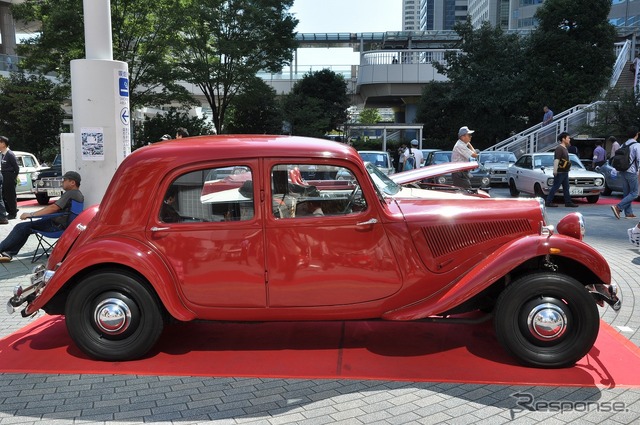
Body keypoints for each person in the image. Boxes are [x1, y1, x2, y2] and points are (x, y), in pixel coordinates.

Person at [0, 171, 84, 262]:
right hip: (62, 225)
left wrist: (31, 214)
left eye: (64, 180)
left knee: (21, 227)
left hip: (55, 226)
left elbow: (53, 207)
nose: (62, 182)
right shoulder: (78, 194)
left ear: (72, 182)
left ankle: (4, 250)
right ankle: (9, 253)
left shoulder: (71, 193)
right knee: (25, 228)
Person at [611, 126, 640, 220]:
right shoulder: (637, 145)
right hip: (631, 172)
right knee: (635, 193)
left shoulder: (624, 144)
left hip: (623, 171)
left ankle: (629, 213)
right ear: (637, 134)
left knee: (627, 193)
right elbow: (639, 159)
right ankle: (618, 207)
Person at [545, 132, 578, 208]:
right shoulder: (559, 148)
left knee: (566, 187)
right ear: (563, 139)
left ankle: (568, 202)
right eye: (568, 138)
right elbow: (556, 159)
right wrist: (555, 170)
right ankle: (548, 201)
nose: (569, 139)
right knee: (555, 186)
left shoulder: (565, 148)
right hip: (560, 171)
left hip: (565, 171)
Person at [0, 136, 20, 219]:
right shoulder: (2, 154)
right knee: (4, 195)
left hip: (9, 175)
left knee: (10, 195)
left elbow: (16, 167)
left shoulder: (10, 154)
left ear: (4, 144)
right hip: (3, 175)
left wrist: (14, 177)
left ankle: (13, 213)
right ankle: (11, 210)